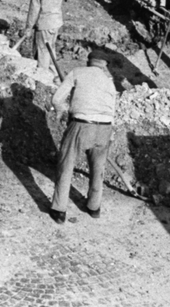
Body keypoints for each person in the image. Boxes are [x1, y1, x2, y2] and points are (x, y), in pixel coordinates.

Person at [49, 48, 118, 223]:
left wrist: (63, 111)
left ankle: (59, 210)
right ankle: (94, 207)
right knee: (98, 169)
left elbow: (57, 99)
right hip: (105, 128)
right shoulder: (109, 81)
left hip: (81, 125)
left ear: (89, 61)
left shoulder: (77, 72)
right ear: (105, 65)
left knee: (66, 164)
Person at [21, 0, 75, 83]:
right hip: (56, 22)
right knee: (51, 48)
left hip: (44, 24)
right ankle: (53, 76)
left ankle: (42, 80)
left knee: (42, 53)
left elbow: (34, 9)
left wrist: (28, 28)